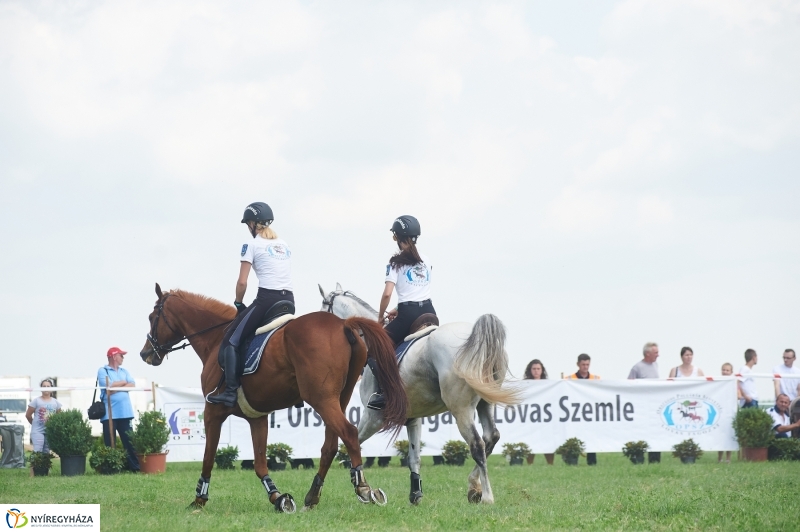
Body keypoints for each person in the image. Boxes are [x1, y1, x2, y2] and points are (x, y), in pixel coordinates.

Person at [208, 202, 294, 408]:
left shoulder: (251, 244)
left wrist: (238, 302)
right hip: (289, 302)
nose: (248, 227)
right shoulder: (284, 245)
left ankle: (230, 392)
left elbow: (242, 282)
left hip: (267, 300)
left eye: (248, 223)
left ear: (254, 224)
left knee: (231, 339)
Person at [368, 215, 435, 410]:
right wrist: (397, 309)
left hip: (409, 315)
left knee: (375, 348)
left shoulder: (395, 262)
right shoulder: (427, 259)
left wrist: (380, 317)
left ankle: (385, 394)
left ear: (397, 237)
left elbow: (387, 294)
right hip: (430, 311)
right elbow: (420, 289)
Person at [98, 347, 139, 472]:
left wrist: (115, 386)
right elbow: (107, 386)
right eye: (121, 355)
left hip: (125, 412)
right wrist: (123, 382)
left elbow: (132, 384)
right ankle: (112, 468)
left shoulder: (124, 370)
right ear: (114, 356)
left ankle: (135, 467)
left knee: (129, 442)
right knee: (110, 442)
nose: (123, 358)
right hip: (109, 413)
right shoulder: (102, 370)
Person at [629, 343, 660, 462]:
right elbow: (629, 385)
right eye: (655, 353)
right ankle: (638, 457)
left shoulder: (656, 365)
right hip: (640, 407)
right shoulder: (637, 367)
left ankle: (655, 459)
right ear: (648, 353)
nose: (658, 355)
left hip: (654, 406)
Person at [566, 354, 599, 465]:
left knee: (591, 437)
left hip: (590, 413)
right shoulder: (569, 379)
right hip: (575, 414)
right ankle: (572, 461)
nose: (585, 367)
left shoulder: (596, 379)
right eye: (583, 364)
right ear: (578, 364)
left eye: (587, 364)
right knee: (574, 438)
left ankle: (592, 462)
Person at [524, 359, 553, 465]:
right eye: (534, 369)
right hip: (530, 419)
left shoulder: (548, 385)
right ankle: (529, 463)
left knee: (548, 442)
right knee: (530, 442)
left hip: (545, 419)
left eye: (538, 369)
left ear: (542, 370)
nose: (536, 371)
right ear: (530, 370)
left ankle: (550, 464)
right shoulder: (525, 384)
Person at [25, 378, 62, 453]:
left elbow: (60, 417)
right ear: (40, 388)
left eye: (48, 386)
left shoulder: (56, 403)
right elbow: (28, 415)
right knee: (38, 451)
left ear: (52, 388)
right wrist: (34, 424)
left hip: (49, 432)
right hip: (37, 432)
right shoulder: (36, 401)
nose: (46, 388)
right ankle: (35, 465)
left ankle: (45, 465)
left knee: (46, 452)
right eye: (44, 386)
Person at [718, 363, 737, 463]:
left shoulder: (734, 382)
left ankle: (728, 458)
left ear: (731, 372)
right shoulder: (718, 382)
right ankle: (719, 458)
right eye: (723, 370)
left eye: (727, 370)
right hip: (720, 412)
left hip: (730, 412)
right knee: (720, 436)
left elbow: (738, 395)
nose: (725, 372)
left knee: (729, 435)